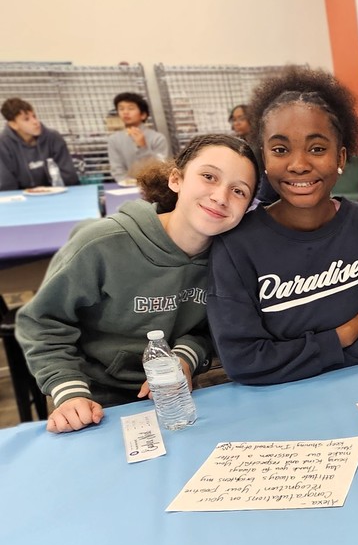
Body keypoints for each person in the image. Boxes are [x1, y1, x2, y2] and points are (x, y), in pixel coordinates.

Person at [15, 134, 258, 434]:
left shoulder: (230, 259)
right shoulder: (102, 244)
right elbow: (41, 321)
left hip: (179, 396)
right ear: (176, 179)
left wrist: (184, 358)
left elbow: (212, 329)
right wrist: (69, 393)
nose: (221, 197)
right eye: (208, 177)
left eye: (239, 191)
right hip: (96, 401)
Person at [207, 66, 358, 385]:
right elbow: (244, 362)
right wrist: (340, 336)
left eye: (316, 148)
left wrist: (285, 357)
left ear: (341, 158)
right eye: (281, 150)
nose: (298, 165)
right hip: (278, 406)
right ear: (264, 159)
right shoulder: (236, 244)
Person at [0, 98, 80, 190]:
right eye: (26, 119)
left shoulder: (53, 137)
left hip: (58, 192)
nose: (35, 122)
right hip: (22, 196)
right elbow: (6, 183)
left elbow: (69, 176)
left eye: (34, 116)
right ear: (13, 125)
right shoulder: (3, 144)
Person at [107, 92, 169, 184]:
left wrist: (143, 147)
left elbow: (160, 168)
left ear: (143, 114)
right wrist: (127, 183)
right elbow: (117, 169)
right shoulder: (114, 139)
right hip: (126, 187)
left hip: (155, 187)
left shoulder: (158, 138)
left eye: (130, 108)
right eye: (121, 109)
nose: (125, 112)